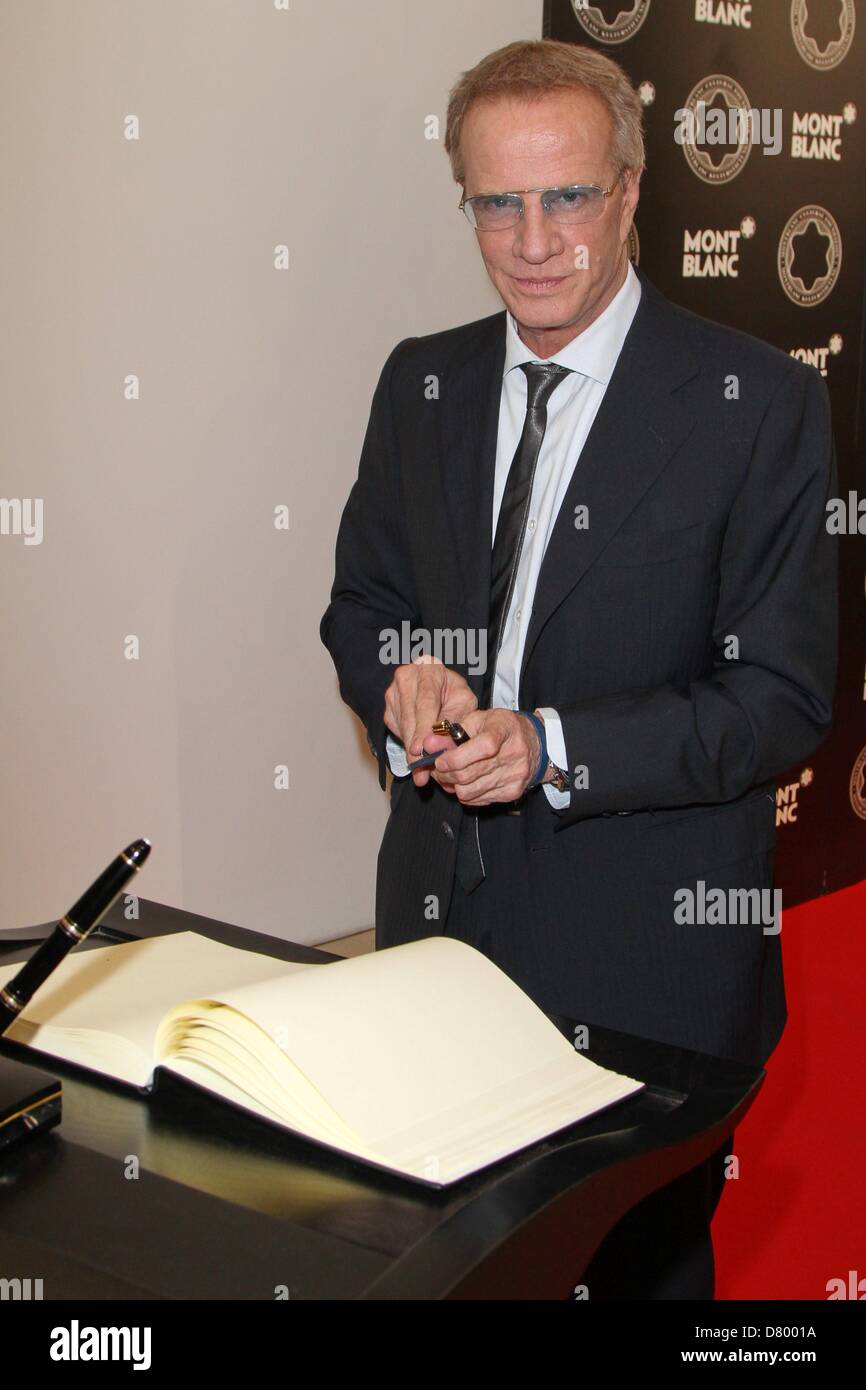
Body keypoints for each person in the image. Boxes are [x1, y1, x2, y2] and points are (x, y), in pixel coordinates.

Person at [320, 39, 837, 1298]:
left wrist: (551, 746)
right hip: (436, 955)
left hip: (648, 971)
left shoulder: (754, 402)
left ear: (629, 191)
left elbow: (778, 698)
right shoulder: (420, 382)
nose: (532, 238)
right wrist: (407, 682)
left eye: (566, 195)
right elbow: (363, 607)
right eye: (496, 200)